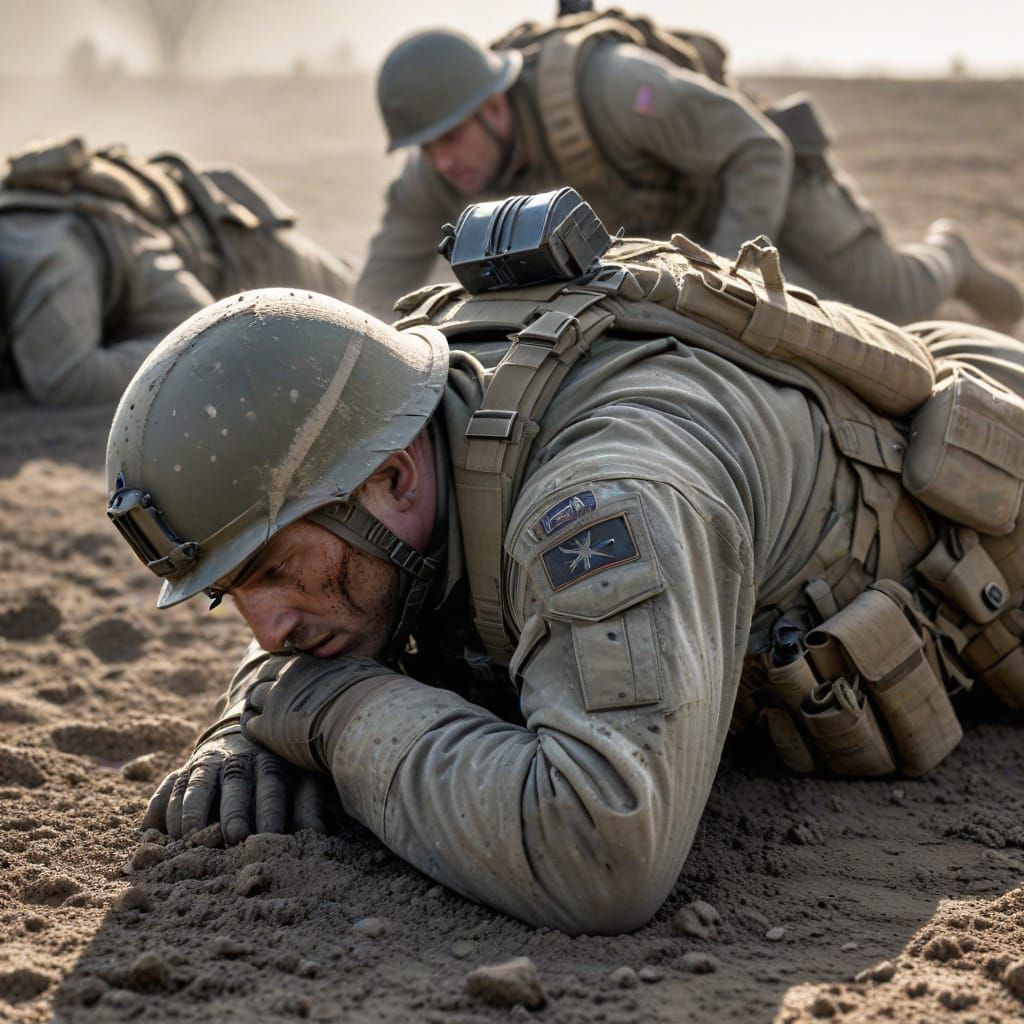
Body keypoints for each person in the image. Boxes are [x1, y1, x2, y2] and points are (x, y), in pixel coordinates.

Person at [106, 193, 1024, 935]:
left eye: (270, 572)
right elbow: (297, 603)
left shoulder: (600, 501)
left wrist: (329, 708)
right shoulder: (400, 429)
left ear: (389, 477)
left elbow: (598, 851)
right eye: (233, 596)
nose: (269, 633)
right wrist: (245, 717)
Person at [353, 12, 1022, 331]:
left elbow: (757, 148)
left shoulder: (615, 90)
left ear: (496, 103)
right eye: (426, 146)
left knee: (891, 305)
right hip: (676, 228)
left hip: (756, 182)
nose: (443, 160)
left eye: (453, 135)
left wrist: (724, 287)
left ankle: (952, 255)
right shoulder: (438, 174)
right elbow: (381, 282)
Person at [0, 135, 355, 406]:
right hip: (186, 225)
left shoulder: (51, 262)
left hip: (241, 245)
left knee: (362, 298)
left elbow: (208, 335)